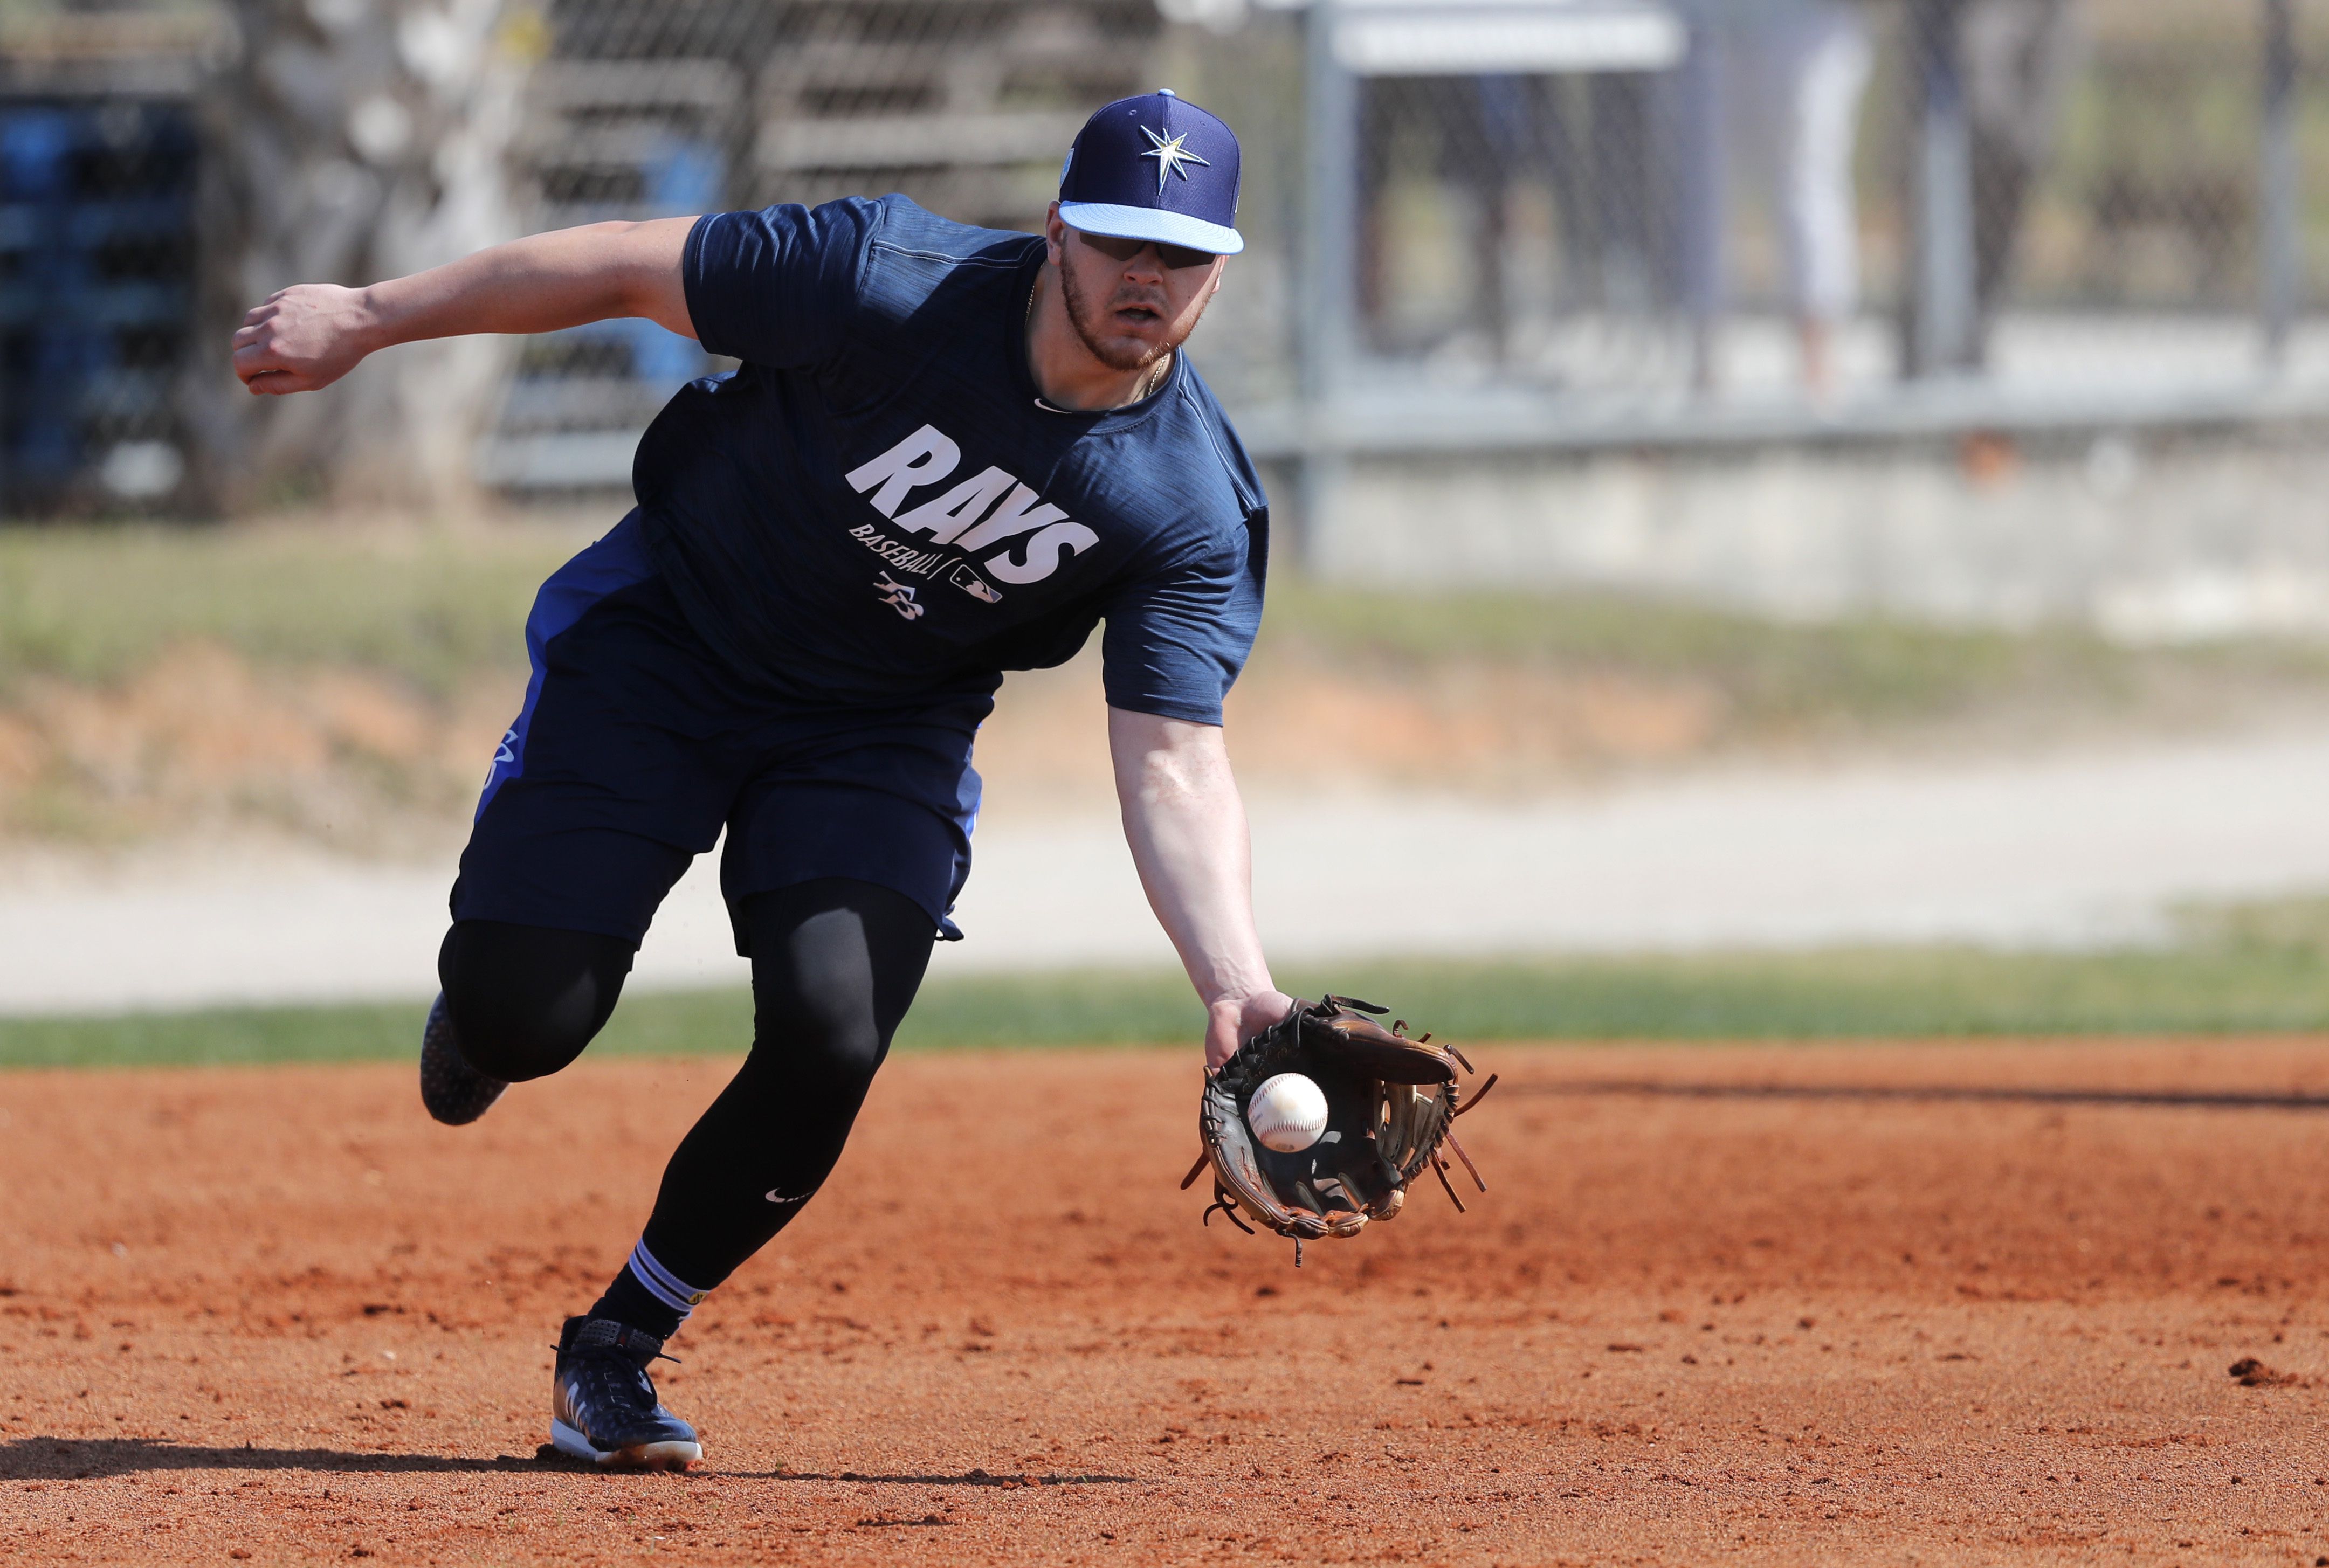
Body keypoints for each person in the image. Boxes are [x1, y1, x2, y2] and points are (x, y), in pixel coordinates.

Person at [230, 91, 1291, 1472]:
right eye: (1117, 242)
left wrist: (1233, 983)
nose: (1146, 279)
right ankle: (486, 1020)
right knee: (526, 1010)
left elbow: (1174, 758)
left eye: (1183, 255)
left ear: (1220, 269)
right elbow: (618, 263)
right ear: (1056, 233)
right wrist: (368, 315)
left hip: (880, 725)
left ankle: (614, 1349)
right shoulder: (875, 278)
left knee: (832, 1030)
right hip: (669, 636)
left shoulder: (1190, 503)